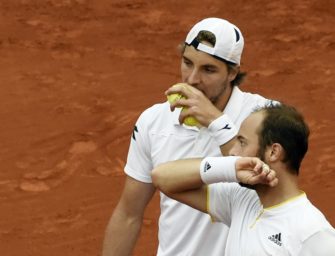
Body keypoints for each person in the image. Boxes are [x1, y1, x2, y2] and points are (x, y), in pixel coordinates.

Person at [102, 17, 275, 255]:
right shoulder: (153, 122)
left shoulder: (264, 115)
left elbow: (262, 186)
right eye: (187, 63)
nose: (192, 79)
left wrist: (216, 122)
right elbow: (129, 214)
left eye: (208, 69)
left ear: (232, 72)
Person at [151, 103, 335, 255]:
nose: (232, 151)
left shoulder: (311, 231)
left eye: (242, 142)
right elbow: (162, 177)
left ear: (273, 152)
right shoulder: (242, 200)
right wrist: (230, 168)